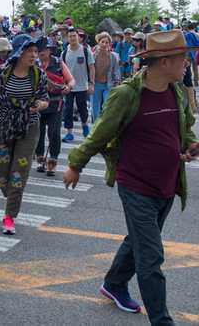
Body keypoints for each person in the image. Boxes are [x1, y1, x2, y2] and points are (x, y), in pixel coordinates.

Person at [64, 30, 198, 325]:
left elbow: (182, 128)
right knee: (151, 257)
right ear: (163, 62)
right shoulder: (127, 94)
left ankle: (113, 284)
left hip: (166, 183)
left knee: (138, 240)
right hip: (135, 184)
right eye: (183, 59)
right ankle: (162, 321)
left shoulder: (175, 92)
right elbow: (100, 133)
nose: (187, 65)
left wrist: (189, 145)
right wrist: (75, 164)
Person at [0, 34, 49, 235]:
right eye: (29, 51)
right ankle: (10, 190)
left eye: (35, 51)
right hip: (3, 125)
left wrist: (40, 105)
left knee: (19, 172)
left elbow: (45, 99)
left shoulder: (38, 74)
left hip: (29, 126)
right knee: (2, 171)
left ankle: (9, 216)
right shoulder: (3, 72)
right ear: (19, 52)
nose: (33, 55)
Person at [35, 38, 75, 176]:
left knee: (54, 133)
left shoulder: (58, 63)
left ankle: (52, 161)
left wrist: (68, 87)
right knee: (38, 133)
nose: (41, 52)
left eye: (44, 50)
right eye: (38, 50)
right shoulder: (34, 64)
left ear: (49, 50)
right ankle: (40, 159)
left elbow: (71, 80)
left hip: (55, 103)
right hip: (38, 104)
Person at [61, 28, 94, 142]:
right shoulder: (64, 53)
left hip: (82, 85)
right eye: (70, 36)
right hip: (69, 87)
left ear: (78, 37)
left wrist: (91, 83)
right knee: (68, 110)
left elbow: (91, 67)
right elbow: (62, 70)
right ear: (67, 38)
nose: (72, 38)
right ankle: (69, 133)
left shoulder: (85, 51)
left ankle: (85, 125)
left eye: (74, 36)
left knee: (83, 109)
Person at [92, 32, 122, 122]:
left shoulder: (113, 56)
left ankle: (104, 125)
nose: (104, 44)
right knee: (94, 109)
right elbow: (89, 69)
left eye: (107, 42)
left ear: (109, 44)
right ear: (98, 42)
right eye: (102, 42)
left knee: (107, 106)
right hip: (95, 84)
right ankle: (95, 126)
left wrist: (117, 81)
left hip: (108, 84)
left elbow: (116, 70)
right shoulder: (93, 55)